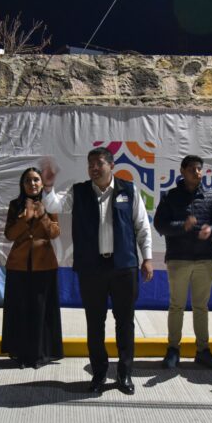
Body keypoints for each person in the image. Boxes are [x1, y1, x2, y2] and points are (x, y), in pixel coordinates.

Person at [43, 148, 153, 395]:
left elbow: (142, 226)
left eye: (99, 163)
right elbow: (53, 205)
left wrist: (147, 258)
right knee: (95, 324)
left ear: (111, 165)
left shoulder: (129, 190)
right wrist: (48, 186)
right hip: (92, 269)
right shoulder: (79, 191)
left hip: (123, 267)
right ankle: (99, 373)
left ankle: (124, 374)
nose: (94, 168)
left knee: (125, 323)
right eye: (90, 164)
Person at [153, 155, 212, 371]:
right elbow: (160, 224)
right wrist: (182, 226)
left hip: (205, 259)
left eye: (199, 169)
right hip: (178, 258)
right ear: (183, 171)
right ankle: (173, 349)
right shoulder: (170, 196)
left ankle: (203, 350)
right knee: (176, 306)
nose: (197, 173)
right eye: (193, 169)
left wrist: (211, 230)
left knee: (201, 307)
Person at [2, 167, 63, 368]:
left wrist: (43, 215)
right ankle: (21, 354)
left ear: (42, 183)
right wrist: (24, 218)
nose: (32, 184)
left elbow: (54, 233)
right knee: (20, 311)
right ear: (23, 184)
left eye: (36, 179)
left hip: (44, 265)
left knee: (41, 311)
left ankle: (40, 355)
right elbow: (9, 235)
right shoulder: (15, 205)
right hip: (18, 266)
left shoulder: (50, 203)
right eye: (28, 180)